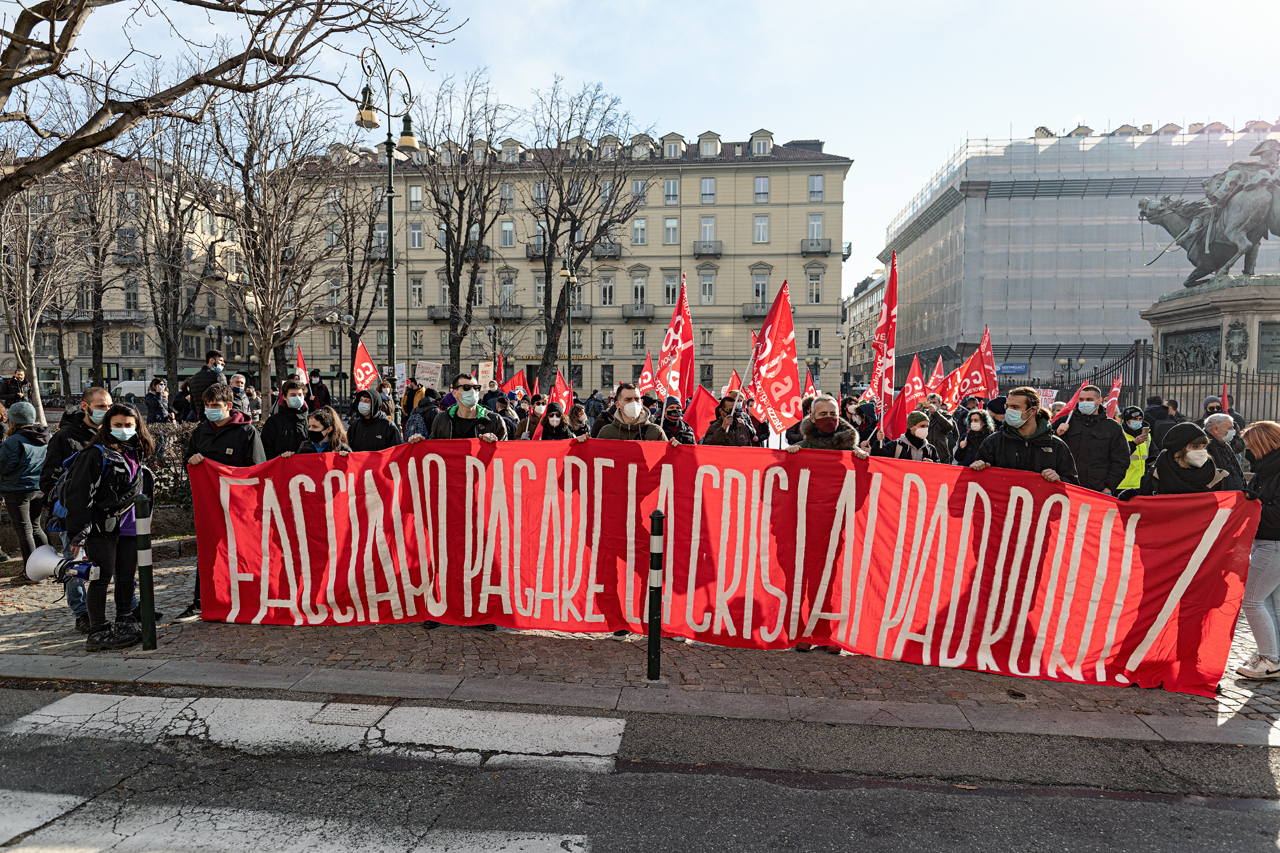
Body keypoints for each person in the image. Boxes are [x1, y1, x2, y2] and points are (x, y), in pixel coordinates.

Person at [63, 403, 154, 650]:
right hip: (103, 526)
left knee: (126, 577)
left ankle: (124, 620)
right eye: (117, 425)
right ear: (107, 426)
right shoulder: (96, 453)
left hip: (131, 526)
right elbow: (79, 496)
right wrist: (78, 535)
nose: (123, 429)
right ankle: (97, 631)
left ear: (137, 427)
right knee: (101, 578)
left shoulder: (136, 452)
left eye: (128, 425)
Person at [176, 385, 266, 623]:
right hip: (209, 506)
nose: (210, 410)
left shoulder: (247, 432)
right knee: (207, 553)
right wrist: (192, 460)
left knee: (246, 552)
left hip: (239, 507)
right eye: (207, 406)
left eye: (215, 406)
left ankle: (252, 600)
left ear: (228, 406)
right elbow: (189, 461)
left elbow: (257, 470)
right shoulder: (201, 431)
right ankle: (201, 603)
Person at [40, 388, 113, 631]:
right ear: (85, 406)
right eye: (101, 406)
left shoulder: (112, 433)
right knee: (75, 563)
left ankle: (129, 605)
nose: (106, 410)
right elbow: (49, 477)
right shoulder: (65, 437)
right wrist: (62, 505)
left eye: (109, 406)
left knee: (115, 561)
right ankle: (81, 613)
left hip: (105, 512)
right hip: (74, 514)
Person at [1237, 422, 1280, 678]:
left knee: (1251, 600)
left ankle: (1269, 658)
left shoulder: (1273, 470)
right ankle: (1273, 657)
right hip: (1269, 541)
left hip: (1273, 542)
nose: (1249, 452)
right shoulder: (1267, 469)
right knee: (1272, 603)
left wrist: (1253, 508)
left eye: (1252, 446)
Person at [970, 386, 1077, 484]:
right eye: (1007, 406)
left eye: (1015, 407)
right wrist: (978, 468)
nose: (1009, 411)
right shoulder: (994, 441)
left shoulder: (1056, 445)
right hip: (1004, 504)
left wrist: (1059, 479)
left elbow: (1073, 485)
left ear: (1033, 410)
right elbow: (975, 482)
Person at [1051, 385, 1129, 494]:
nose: (1084, 403)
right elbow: (1047, 448)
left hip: (1098, 490)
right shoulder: (1065, 421)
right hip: (1066, 487)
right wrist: (1057, 434)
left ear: (1099, 401)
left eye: (1089, 400)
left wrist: (1108, 487)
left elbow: (1121, 460)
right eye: (1081, 399)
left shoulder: (1112, 427)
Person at [0, 401, 50, 564]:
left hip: (17, 490)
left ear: (13, 420)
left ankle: (31, 572)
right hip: (38, 487)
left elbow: (4, 467)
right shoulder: (43, 437)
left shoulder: (14, 441)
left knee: (25, 532)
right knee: (36, 528)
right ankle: (49, 565)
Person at [1131, 422, 1228, 496]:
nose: (1201, 451)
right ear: (1178, 449)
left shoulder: (1213, 476)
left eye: (1203, 447)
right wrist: (1131, 498)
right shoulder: (1154, 477)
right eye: (1195, 447)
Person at [787, 394, 869, 456]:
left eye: (833, 414)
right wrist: (789, 455)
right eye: (823, 414)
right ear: (812, 418)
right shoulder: (802, 448)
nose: (829, 418)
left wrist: (862, 458)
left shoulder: (852, 451)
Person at [430, 374, 505, 442]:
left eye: (476, 388)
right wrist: (419, 442)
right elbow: (431, 449)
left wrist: (495, 443)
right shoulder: (441, 419)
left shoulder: (494, 420)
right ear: (455, 393)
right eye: (466, 388)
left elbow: (506, 451)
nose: (472, 391)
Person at [261, 379, 311, 460]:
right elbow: (266, 449)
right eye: (293, 395)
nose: (297, 398)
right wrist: (280, 458)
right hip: (282, 468)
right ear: (284, 397)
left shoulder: (310, 420)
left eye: (300, 394)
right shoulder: (274, 421)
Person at [597, 383, 666, 441]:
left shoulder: (655, 432)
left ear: (641, 403)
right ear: (618, 405)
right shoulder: (607, 432)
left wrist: (674, 447)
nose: (633, 403)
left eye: (636, 399)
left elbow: (668, 456)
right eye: (628, 399)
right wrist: (586, 444)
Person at [279, 406, 352, 457]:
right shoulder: (304, 447)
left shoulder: (341, 449)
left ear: (328, 429)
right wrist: (288, 457)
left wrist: (347, 458)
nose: (310, 429)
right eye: (309, 426)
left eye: (315, 427)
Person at [871, 410, 940, 462]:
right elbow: (879, 461)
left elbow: (939, 471)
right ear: (911, 427)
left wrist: (933, 465)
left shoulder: (930, 449)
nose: (925, 429)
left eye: (927, 426)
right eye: (922, 426)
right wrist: (879, 443)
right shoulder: (895, 446)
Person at [1203, 412, 1246, 491]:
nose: (1233, 430)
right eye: (1230, 428)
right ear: (1216, 429)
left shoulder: (1225, 444)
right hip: (1220, 497)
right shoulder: (1204, 447)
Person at [1117, 406, 1151, 491]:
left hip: (1142, 483)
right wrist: (1134, 444)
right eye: (1135, 419)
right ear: (1126, 420)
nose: (1138, 422)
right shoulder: (1118, 434)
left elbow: (1153, 454)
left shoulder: (1147, 435)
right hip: (1122, 484)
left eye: (1140, 419)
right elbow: (1118, 454)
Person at [186, 351, 227, 422]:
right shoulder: (218, 375)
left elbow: (192, 405)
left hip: (202, 419)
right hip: (218, 418)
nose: (223, 363)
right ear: (211, 360)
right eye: (220, 360)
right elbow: (226, 398)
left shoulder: (193, 379)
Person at [921, 393, 956, 463]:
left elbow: (949, 427)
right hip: (925, 454)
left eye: (934, 403)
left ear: (939, 405)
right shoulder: (923, 416)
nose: (931, 405)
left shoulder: (945, 415)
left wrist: (935, 413)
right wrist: (917, 410)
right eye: (930, 403)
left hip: (941, 454)